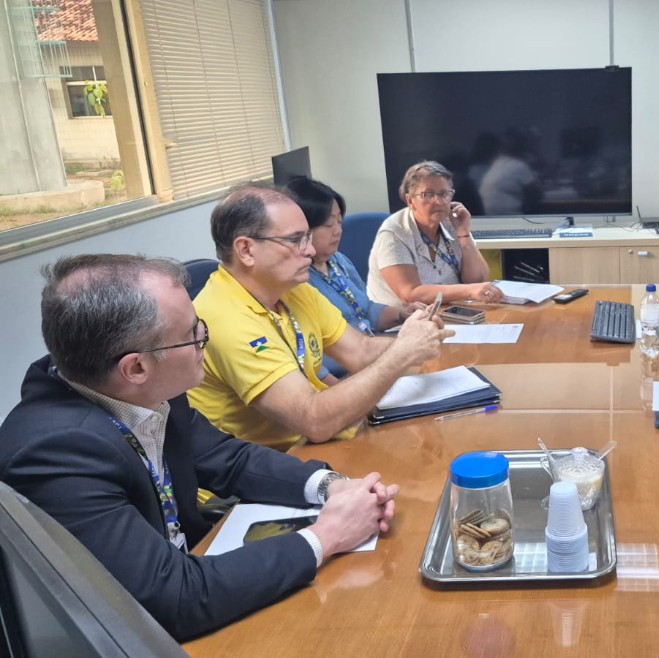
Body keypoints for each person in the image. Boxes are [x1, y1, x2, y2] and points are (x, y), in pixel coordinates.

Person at [0, 254, 401, 640]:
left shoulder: (147, 386)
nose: (204, 340)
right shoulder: (55, 453)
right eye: (192, 335)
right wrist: (327, 535)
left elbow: (229, 458)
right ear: (135, 367)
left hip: (199, 564)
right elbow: (172, 599)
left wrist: (332, 486)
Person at [188, 183, 452, 452]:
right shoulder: (225, 319)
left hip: (314, 445)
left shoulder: (293, 289)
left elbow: (360, 350)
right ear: (245, 250)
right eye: (295, 240)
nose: (311, 250)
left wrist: (415, 338)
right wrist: (402, 352)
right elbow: (312, 420)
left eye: (308, 237)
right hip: (263, 472)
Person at [285, 176, 425, 377]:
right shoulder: (297, 281)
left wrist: (401, 314)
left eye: (340, 222)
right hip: (347, 371)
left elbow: (365, 310)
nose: (338, 231)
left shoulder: (337, 260)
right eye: (328, 224)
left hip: (373, 353)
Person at [368, 161, 504, 306]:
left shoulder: (452, 221)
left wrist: (463, 234)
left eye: (444, 194)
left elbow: (478, 281)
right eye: (428, 194)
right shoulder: (394, 233)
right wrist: (468, 291)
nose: (438, 201)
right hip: (403, 320)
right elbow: (410, 294)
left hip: (452, 310)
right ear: (410, 200)